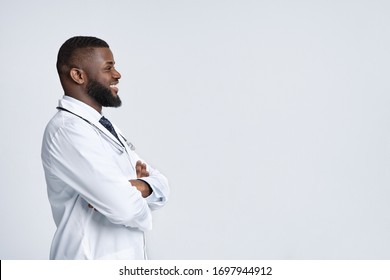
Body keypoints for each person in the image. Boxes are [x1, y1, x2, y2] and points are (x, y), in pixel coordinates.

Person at [41, 36, 169, 260]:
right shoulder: (68, 131)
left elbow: (162, 187)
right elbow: (123, 207)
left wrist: (136, 188)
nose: (117, 75)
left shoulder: (101, 127)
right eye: (108, 68)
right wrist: (129, 195)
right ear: (78, 75)